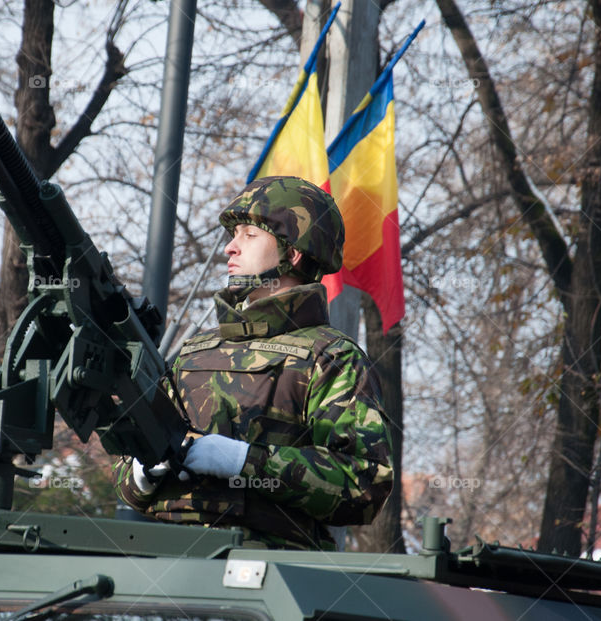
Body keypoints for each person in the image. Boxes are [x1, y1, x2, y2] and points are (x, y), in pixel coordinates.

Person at [115, 175, 393, 550]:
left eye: (249, 235)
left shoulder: (332, 357)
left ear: (292, 252)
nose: (230, 248)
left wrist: (244, 461)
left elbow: (365, 484)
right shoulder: (193, 352)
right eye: (234, 235)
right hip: (163, 564)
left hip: (270, 576)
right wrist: (143, 469)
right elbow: (126, 479)